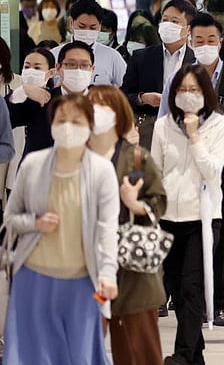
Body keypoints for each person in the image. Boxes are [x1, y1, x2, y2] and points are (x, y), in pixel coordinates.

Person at [3, 93, 119, 364]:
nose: (68, 127)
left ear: (90, 126)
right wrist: (35, 222)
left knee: (79, 354)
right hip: (32, 279)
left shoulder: (101, 171)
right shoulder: (32, 165)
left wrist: (108, 274)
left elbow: (107, 230)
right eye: (61, 120)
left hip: (82, 281)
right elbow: (10, 218)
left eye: (76, 121)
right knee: (32, 354)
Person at [157, 14, 224, 328]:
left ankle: (219, 302)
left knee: (221, 237)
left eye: (211, 40)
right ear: (189, 41)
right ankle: (184, 297)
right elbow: (165, 120)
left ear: (221, 42)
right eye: (198, 41)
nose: (205, 46)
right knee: (179, 237)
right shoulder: (178, 79)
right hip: (180, 167)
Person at [152, 65, 224, 364]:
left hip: (203, 217)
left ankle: (182, 355)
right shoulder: (163, 126)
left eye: (194, 90)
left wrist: (195, 136)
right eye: (182, 90)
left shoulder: (219, 124)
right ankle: (195, 355)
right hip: (168, 218)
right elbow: (156, 172)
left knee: (192, 286)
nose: (187, 96)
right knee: (175, 286)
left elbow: (212, 171)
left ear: (206, 93)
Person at [86, 85, 167, 365]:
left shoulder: (135, 157)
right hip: (87, 259)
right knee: (84, 339)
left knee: (138, 345)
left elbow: (158, 201)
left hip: (132, 259)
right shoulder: (73, 157)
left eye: (104, 107)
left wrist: (135, 204)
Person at [123, 0, 197, 149]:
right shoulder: (141, 57)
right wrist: (142, 98)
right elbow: (124, 95)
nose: (168, 25)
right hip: (149, 133)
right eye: (165, 20)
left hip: (185, 133)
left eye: (175, 22)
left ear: (188, 29)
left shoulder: (197, 60)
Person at [8, 43, 93, 157]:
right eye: (71, 64)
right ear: (58, 68)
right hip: (39, 172)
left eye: (84, 65)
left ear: (92, 69)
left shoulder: (103, 103)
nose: (78, 70)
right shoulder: (41, 99)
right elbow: (6, 119)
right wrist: (21, 91)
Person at [50, 0, 127, 87]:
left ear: (99, 26)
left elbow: (128, 88)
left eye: (93, 27)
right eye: (81, 26)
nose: (87, 31)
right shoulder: (54, 54)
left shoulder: (112, 57)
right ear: (71, 23)